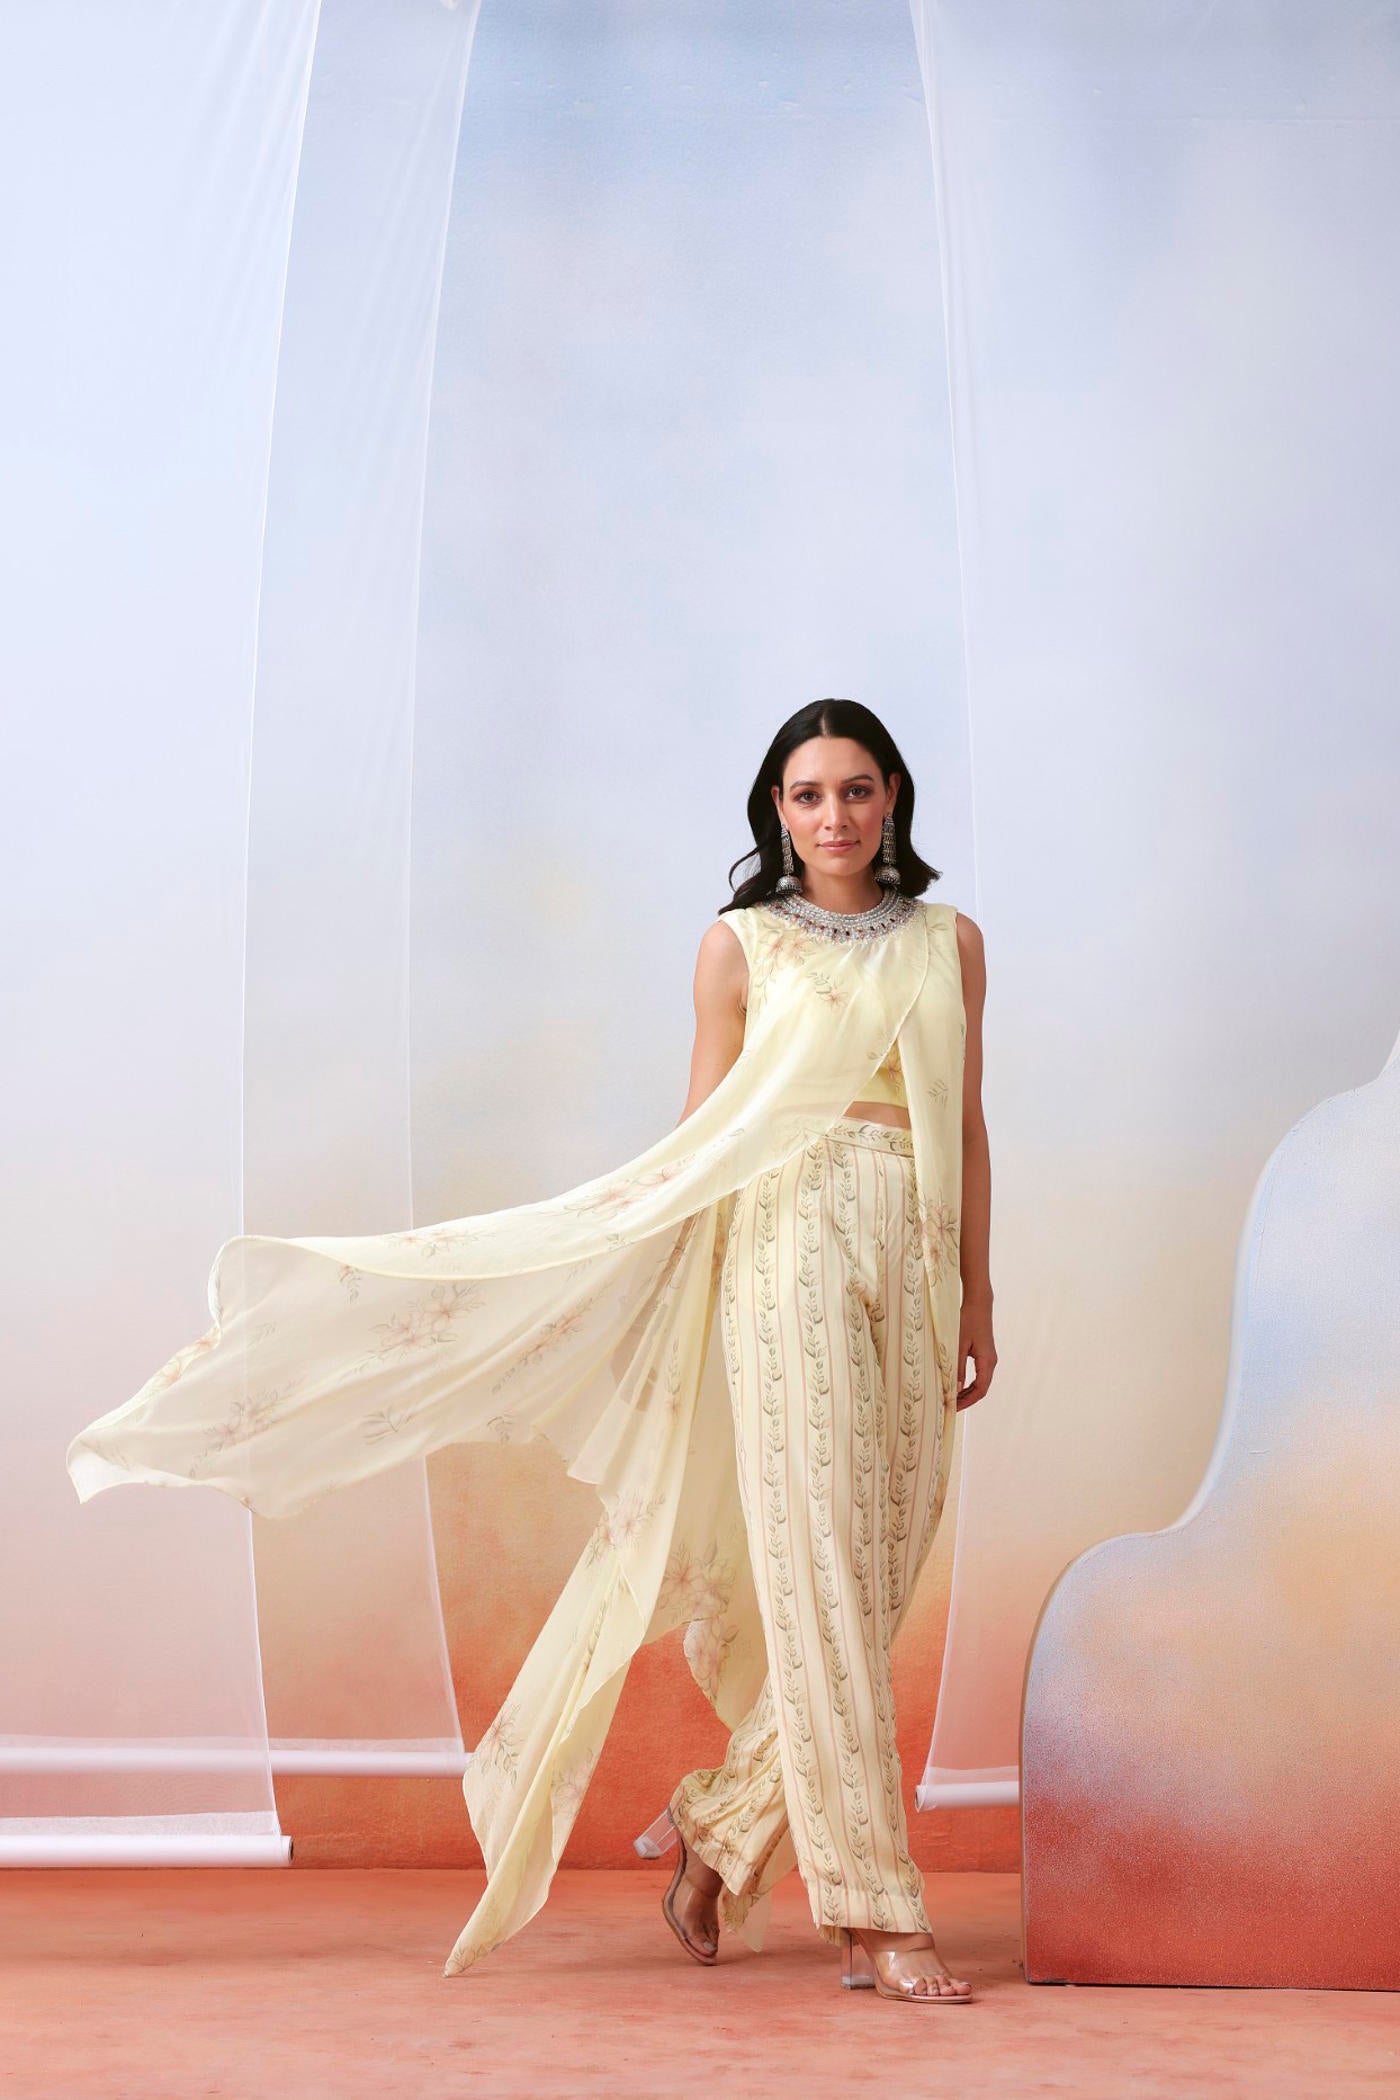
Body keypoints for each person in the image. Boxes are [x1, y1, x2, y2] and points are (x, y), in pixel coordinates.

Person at [66, 697, 995, 2006]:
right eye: (807, 795)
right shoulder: (740, 947)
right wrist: (634, 1294)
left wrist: (977, 1293)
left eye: (855, 789)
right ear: (777, 814)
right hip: (784, 1244)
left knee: (874, 1576)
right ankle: (878, 1914)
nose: (833, 815)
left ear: (892, 795)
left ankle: (721, 1830)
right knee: (824, 1580)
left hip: (917, 1247)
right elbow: (699, 1143)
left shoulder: (950, 943)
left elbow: (966, 1122)